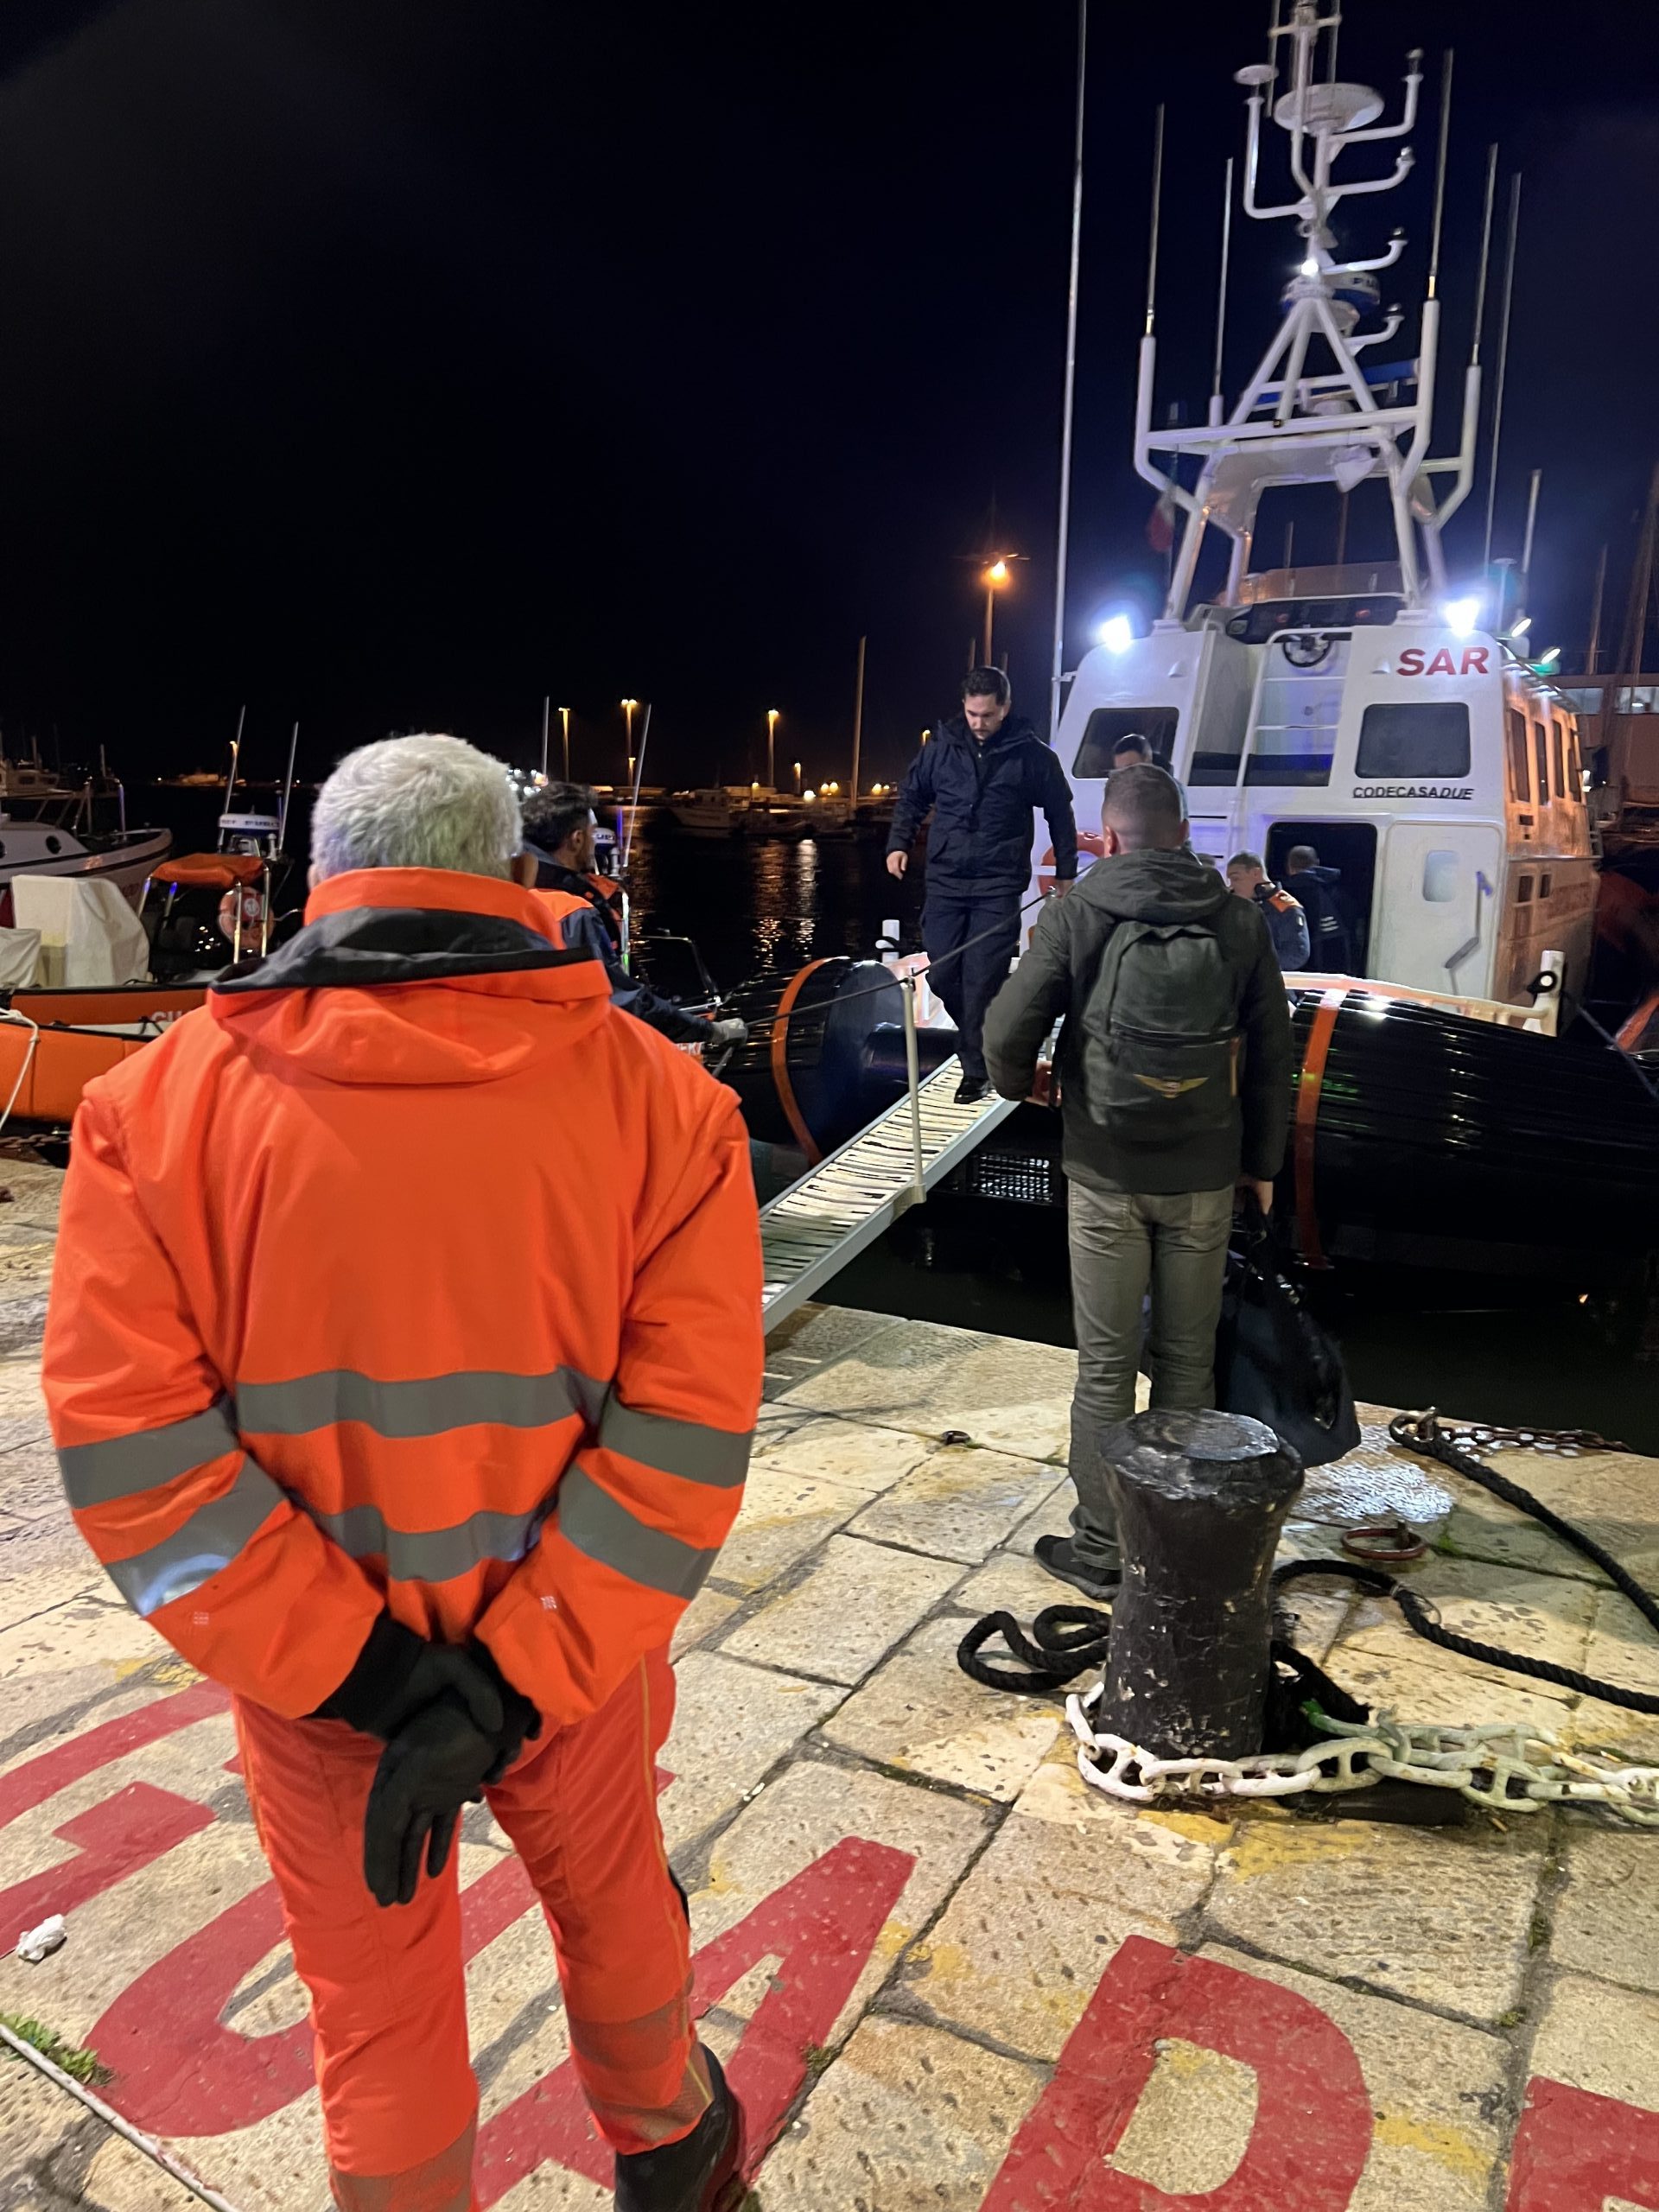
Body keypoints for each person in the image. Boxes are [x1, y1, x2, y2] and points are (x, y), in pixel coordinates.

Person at [43, 734, 764, 2212]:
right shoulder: (671, 1109)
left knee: (376, 2025)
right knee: (619, 1913)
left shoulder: (154, 1113)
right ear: (511, 874)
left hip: (326, 1696)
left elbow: (134, 1455)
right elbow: (686, 1436)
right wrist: (514, 1677)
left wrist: (370, 1678)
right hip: (577, 1661)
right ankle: (674, 2147)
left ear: (320, 883)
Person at [983, 763, 1293, 1598]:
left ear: (1110, 839)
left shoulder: (1075, 912)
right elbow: (1273, 1052)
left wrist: (1020, 1085)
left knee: (1106, 1368)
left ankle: (1102, 1550)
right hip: (1204, 1174)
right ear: (1184, 834)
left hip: (1105, 1169)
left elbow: (1006, 1029)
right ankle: (1176, 1547)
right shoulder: (1237, 920)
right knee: (1189, 1362)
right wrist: (1261, 1165)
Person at [887, 667, 1077, 1103]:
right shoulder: (941, 748)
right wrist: (898, 843)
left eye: (987, 714)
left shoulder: (1032, 756)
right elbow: (913, 795)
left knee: (980, 979)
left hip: (998, 884)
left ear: (1005, 708)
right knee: (942, 974)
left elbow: (1059, 812)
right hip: (946, 879)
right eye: (972, 714)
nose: (978, 722)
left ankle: (977, 1071)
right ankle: (994, 1032)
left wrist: (1066, 869)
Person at [518, 779, 746, 1050]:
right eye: (592, 834)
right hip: (573, 1053)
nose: (593, 842)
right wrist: (712, 1031)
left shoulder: (508, 890)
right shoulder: (574, 913)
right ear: (577, 839)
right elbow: (621, 1003)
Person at [1226, 850, 1310, 971]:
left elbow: (1296, 954)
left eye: (1236, 879)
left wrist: (1257, 965)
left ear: (1256, 873)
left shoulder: (1285, 907)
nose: (1232, 886)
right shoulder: (1238, 904)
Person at [1283, 842, 1356, 974]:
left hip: (1297, 967)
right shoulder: (1337, 892)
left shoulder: (1283, 895)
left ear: (1289, 867)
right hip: (1334, 963)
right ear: (1317, 862)